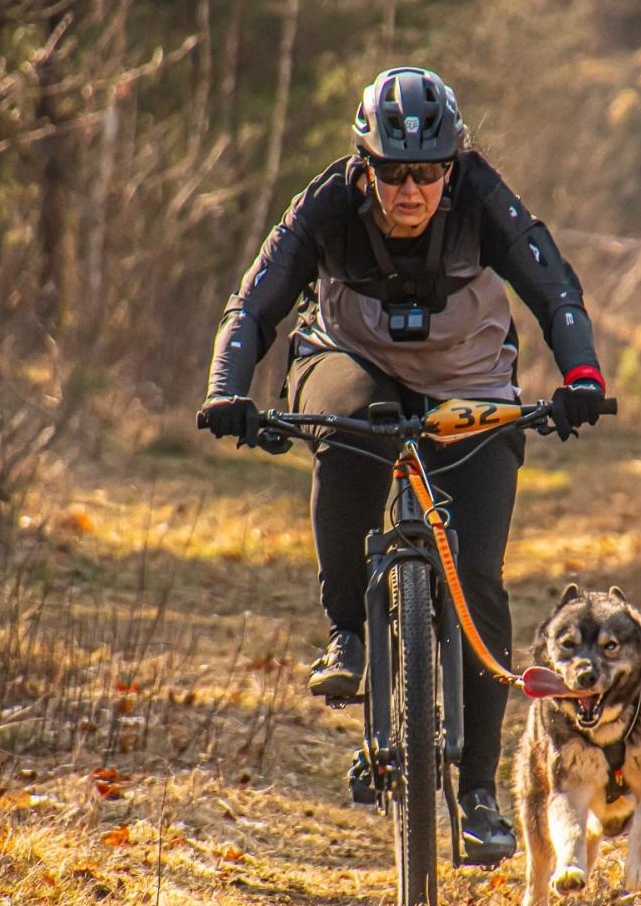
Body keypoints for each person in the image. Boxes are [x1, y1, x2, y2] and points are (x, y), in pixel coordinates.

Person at [197, 67, 607, 865]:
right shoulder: (325, 206)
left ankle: (480, 793)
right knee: (355, 428)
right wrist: (226, 388)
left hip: (469, 380)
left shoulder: (482, 197)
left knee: (478, 573)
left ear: (451, 165)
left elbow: (554, 288)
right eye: (392, 172)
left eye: (427, 172)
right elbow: (254, 303)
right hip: (348, 360)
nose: (410, 189)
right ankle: (348, 631)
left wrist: (582, 375)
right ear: (365, 166)